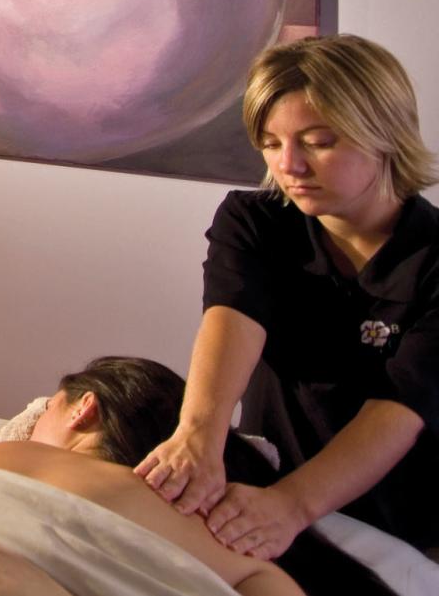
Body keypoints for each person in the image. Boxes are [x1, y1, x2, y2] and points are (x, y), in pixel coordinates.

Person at [135, 34, 439, 560]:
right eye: (271, 144)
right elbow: (233, 318)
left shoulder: (431, 260)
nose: (289, 166)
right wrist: (198, 438)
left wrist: (293, 506)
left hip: (400, 517)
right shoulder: (255, 221)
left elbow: (398, 408)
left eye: (318, 142)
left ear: (385, 134)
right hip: (269, 481)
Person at [0, 357, 394, 596]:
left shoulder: (22, 458)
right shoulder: (210, 532)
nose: (32, 423)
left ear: (84, 408)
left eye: (47, 410)